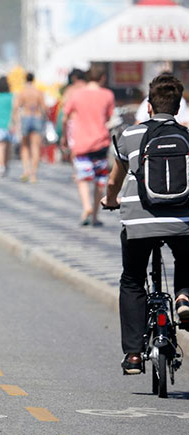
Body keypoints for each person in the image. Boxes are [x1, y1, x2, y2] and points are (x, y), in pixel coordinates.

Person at [101, 73, 189, 375]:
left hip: (138, 220)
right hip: (182, 220)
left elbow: (115, 180)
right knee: (185, 257)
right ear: (178, 109)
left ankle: (134, 355)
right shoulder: (187, 136)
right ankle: (183, 297)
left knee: (132, 280)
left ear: (149, 107)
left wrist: (109, 199)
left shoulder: (130, 135)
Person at [62, 65, 114, 227]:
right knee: (100, 180)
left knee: (83, 178)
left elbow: (66, 116)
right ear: (102, 78)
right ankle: (95, 216)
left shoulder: (77, 95)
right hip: (101, 142)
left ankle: (86, 206)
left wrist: (64, 137)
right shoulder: (107, 95)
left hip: (82, 143)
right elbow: (109, 117)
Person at [12, 72, 46, 183]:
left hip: (26, 117)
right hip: (36, 117)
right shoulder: (38, 92)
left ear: (25, 79)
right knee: (35, 147)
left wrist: (16, 121)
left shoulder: (22, 92)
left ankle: (26, 170)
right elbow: (44, 107)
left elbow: (16, 107)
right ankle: (33, 175)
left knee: (25, 146)